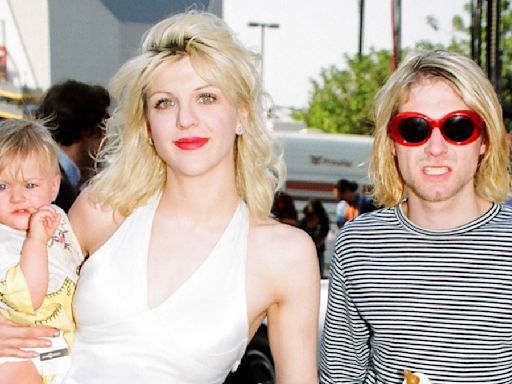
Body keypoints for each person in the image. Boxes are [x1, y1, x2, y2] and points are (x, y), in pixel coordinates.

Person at [0, 11, 319, 383]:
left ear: (242, 116)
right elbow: (18, 281)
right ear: (148, 125)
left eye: (207, 97)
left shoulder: (284, 254)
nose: (186, 119)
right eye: (165, 102)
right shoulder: (106, 208)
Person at [320, 50, 512, 383]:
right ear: (392, 143)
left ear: (484, 140)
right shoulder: (357, 245)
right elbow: (340, 376)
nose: (435, 148)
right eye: (414, 128)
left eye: (458, 126)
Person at [0, 119, 83, 383]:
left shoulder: (60, 219)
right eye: (3, 186)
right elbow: (27, 298)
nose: (17, 196)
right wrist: (36, 240)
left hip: (62, 349)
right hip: (17, 354)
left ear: (54, 187)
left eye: (30, 185)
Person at [35, 80, 111, 212]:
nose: (107, 137)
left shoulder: (40, 167)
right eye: (104, 125)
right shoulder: (53, 185)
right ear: (88, 129)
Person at [298, 199, 330, 277]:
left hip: (319, 251)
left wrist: (317, 245)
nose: (311, 219)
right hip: (306, 251)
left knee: (319, 272)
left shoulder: (324, 222)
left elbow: (324, 236)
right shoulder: (303, 223)